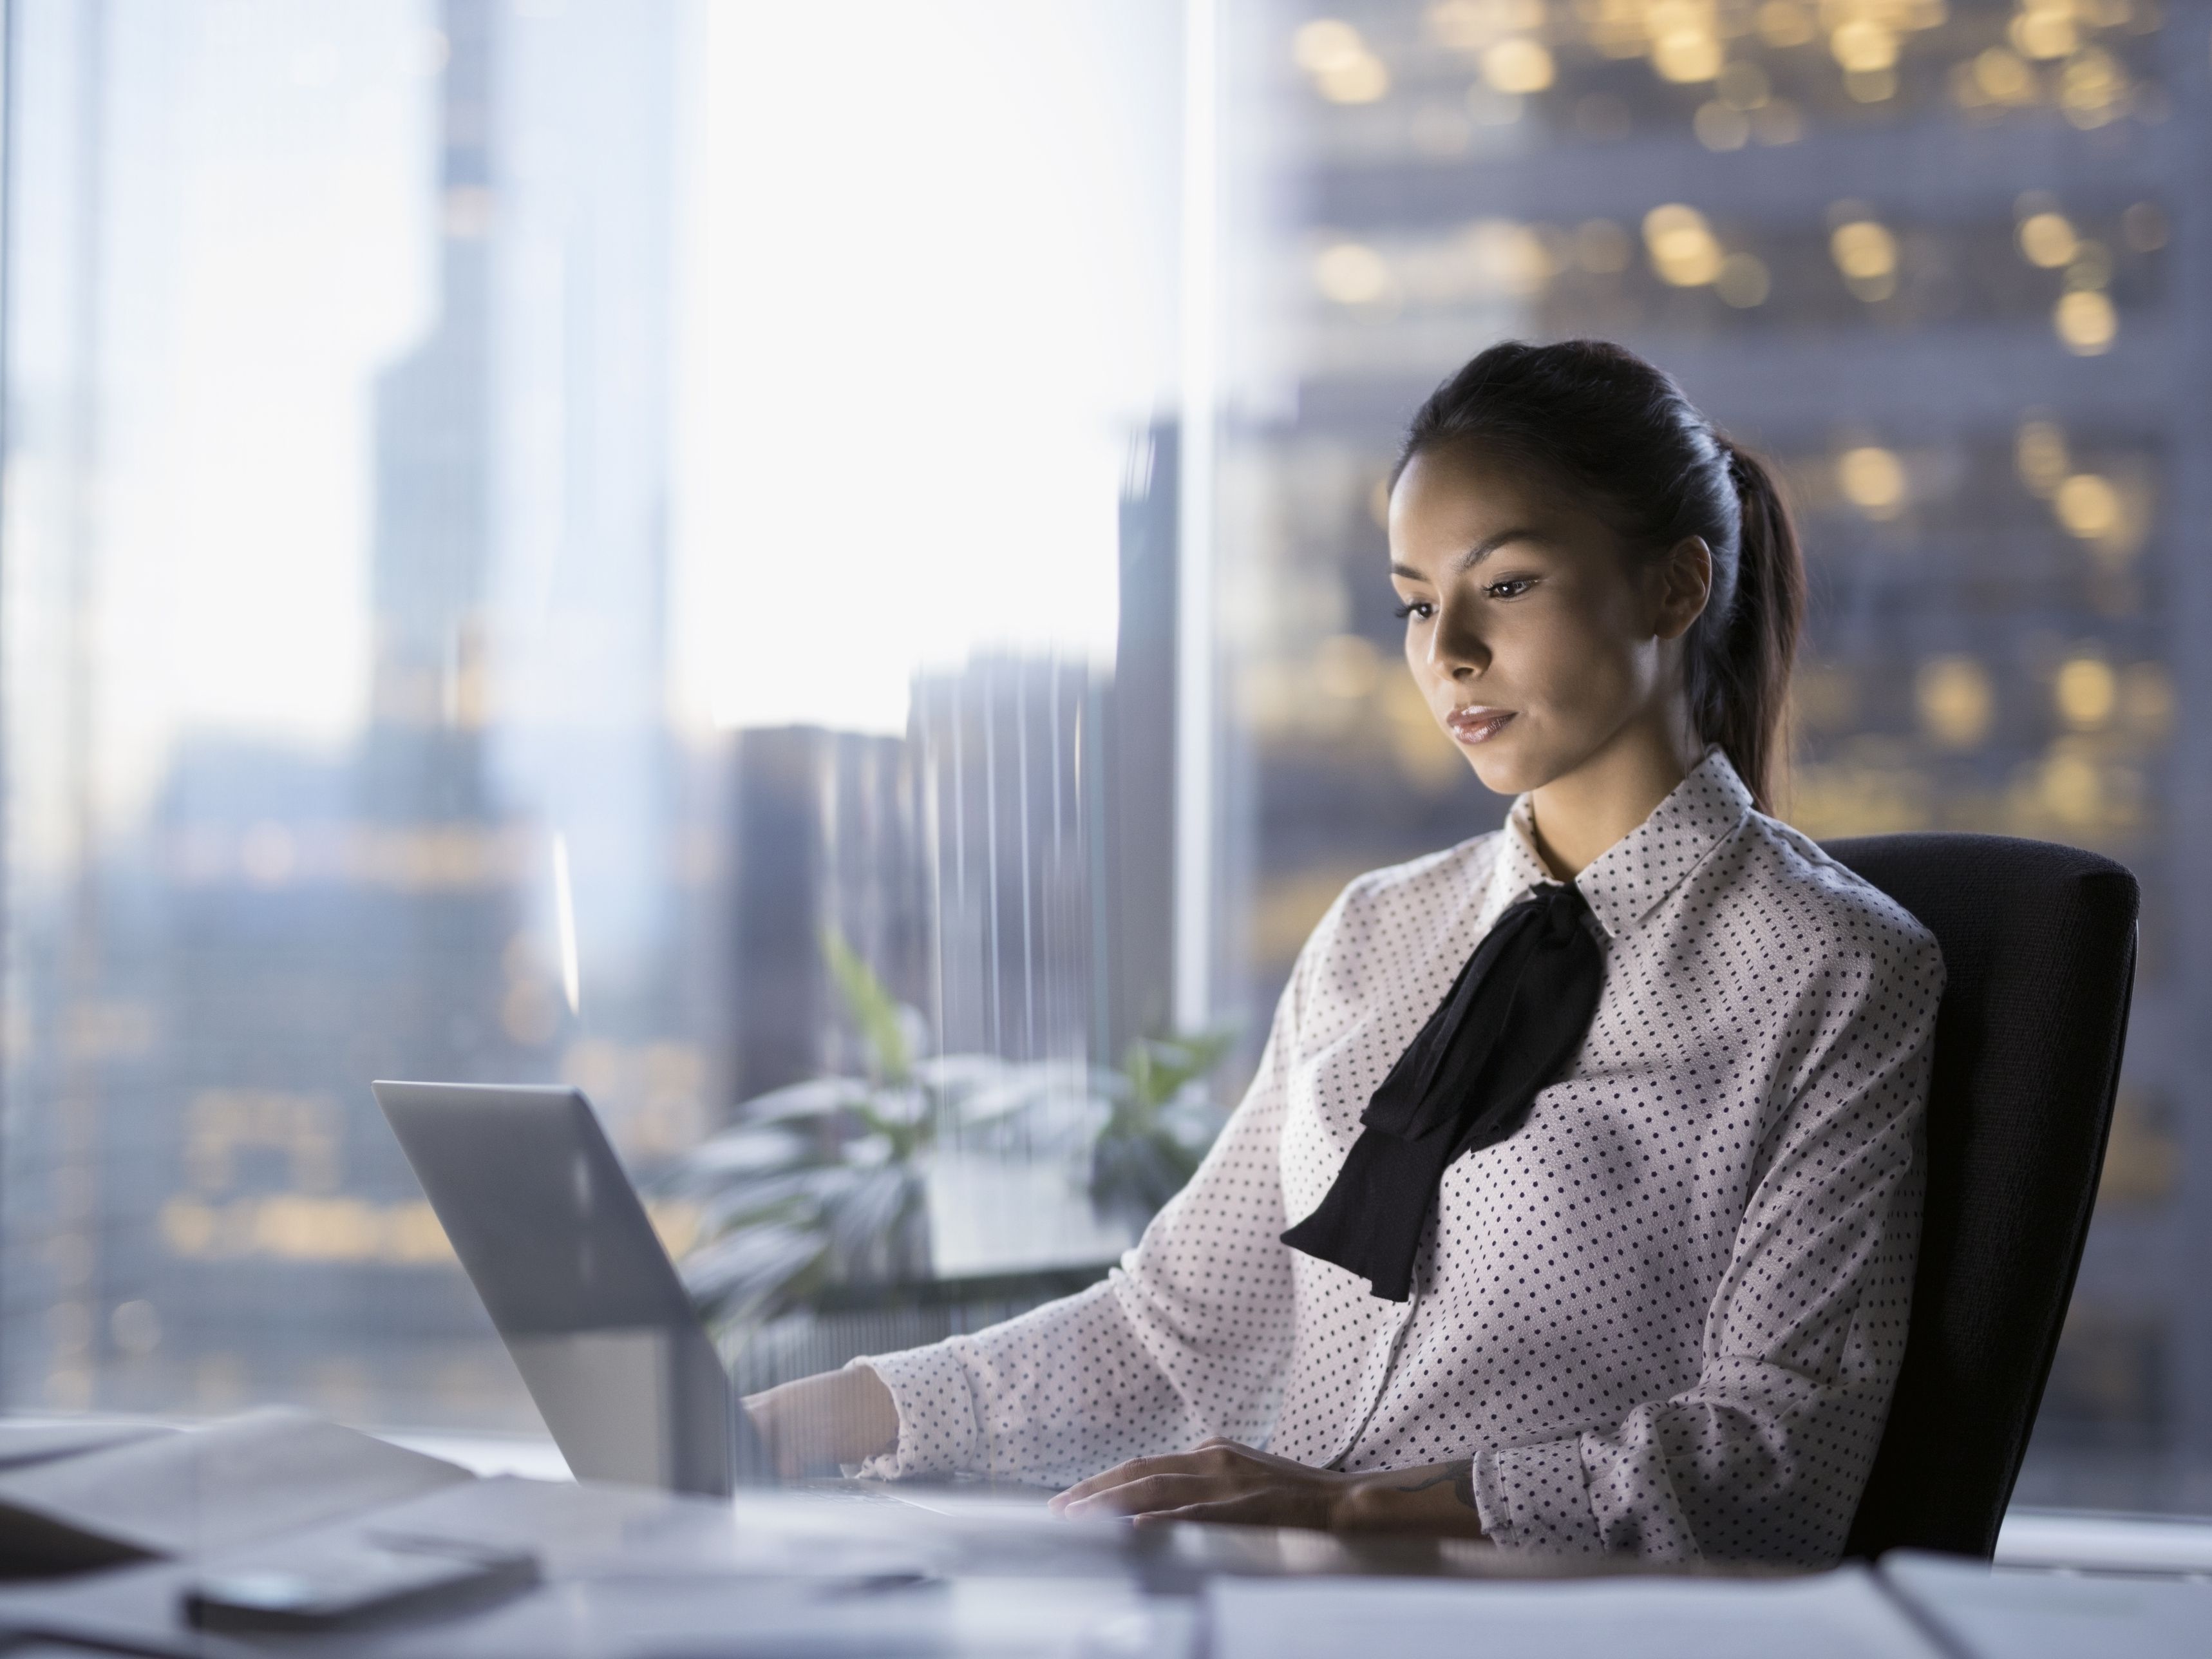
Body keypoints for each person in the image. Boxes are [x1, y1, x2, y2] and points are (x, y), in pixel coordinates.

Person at [744, 339, 1943, 1565]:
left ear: (1673, 591)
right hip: (1291, 1608)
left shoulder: (1838, 971)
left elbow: (1780, 1460)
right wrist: (804, 1418)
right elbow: (1175, 1333)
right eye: (1418, 604)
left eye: (1510, 586)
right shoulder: (1377, 929)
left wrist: (1358, 1506)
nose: (1449, 653)